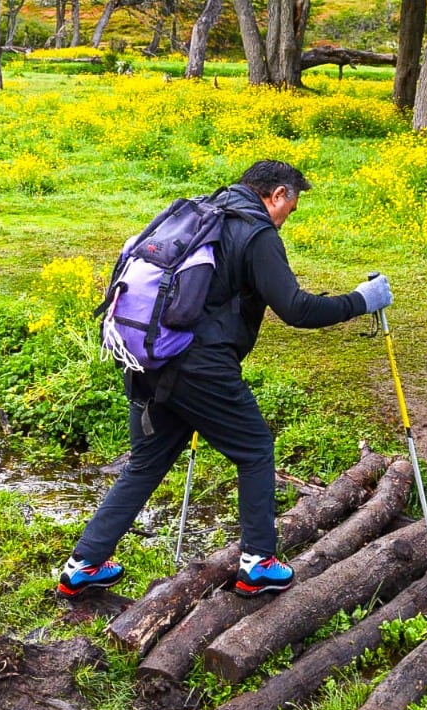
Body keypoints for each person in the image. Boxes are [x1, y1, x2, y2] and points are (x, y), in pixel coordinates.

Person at [58, 160, 393, 600]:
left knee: (145, 463)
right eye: (289, 209)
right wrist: (362, 300)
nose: (286, 219)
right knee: (254, 448)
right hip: (200, 367)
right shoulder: (256, 233)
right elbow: (297, 309)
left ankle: (83, 565)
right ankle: (258, 564)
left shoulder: (200, 213)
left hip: (148, 358)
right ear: (276, 195)